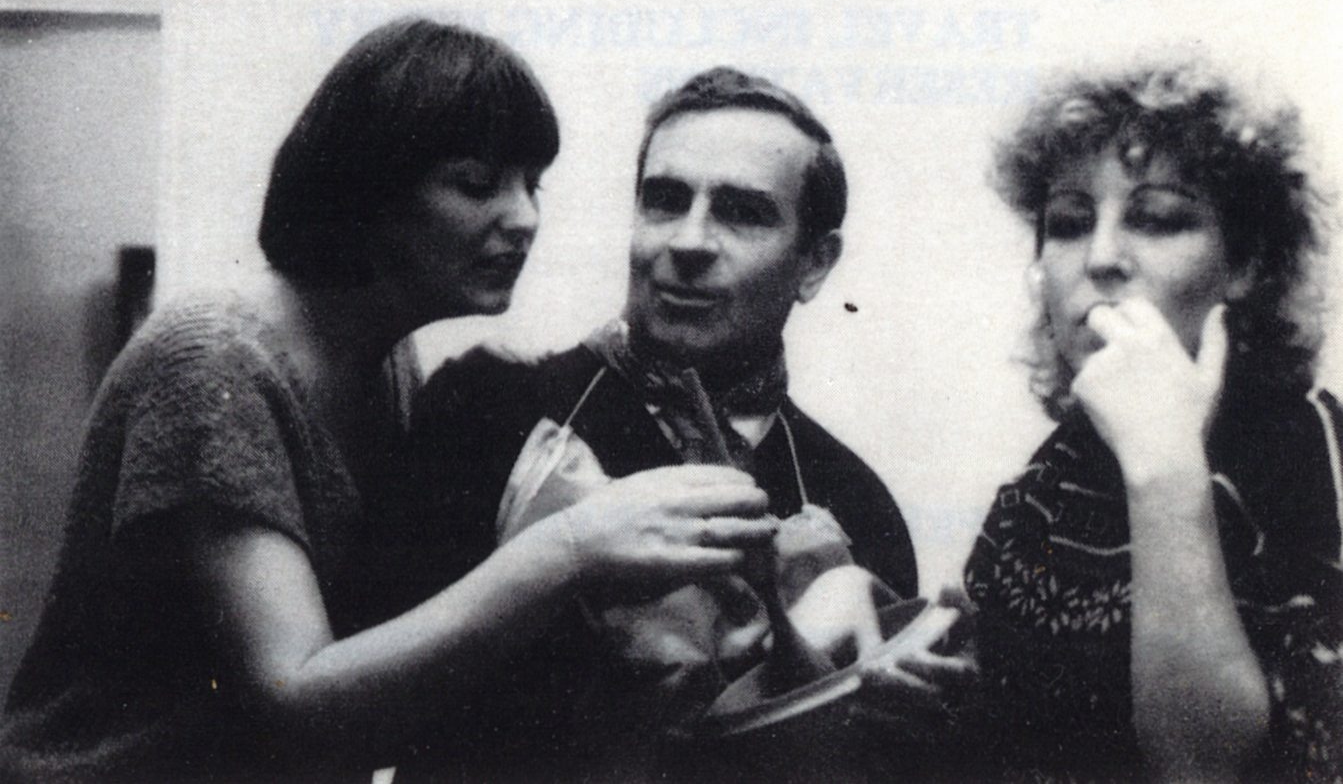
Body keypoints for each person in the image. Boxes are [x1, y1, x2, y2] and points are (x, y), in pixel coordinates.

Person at [0, 20, 775, 782]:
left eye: (530, 183)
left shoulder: (384, 360)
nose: (524, 218)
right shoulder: (211, 358)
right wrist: (572, 545)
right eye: (476, 184)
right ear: (366, 190)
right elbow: (294, 694)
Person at [398, 67, 933, 780]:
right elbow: (376, 719)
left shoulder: (855, 500)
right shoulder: (486, 410)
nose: (688, 240)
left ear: (814, 263)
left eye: (741, 212)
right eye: (665, 200)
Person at [963, 58, 1343, 782]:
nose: (1100, 258)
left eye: (1158, 219)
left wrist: (1165, 469)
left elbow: (1202, 769)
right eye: (1068, 224)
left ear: (1247, 263)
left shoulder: (1314, 456)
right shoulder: (1050, 475)